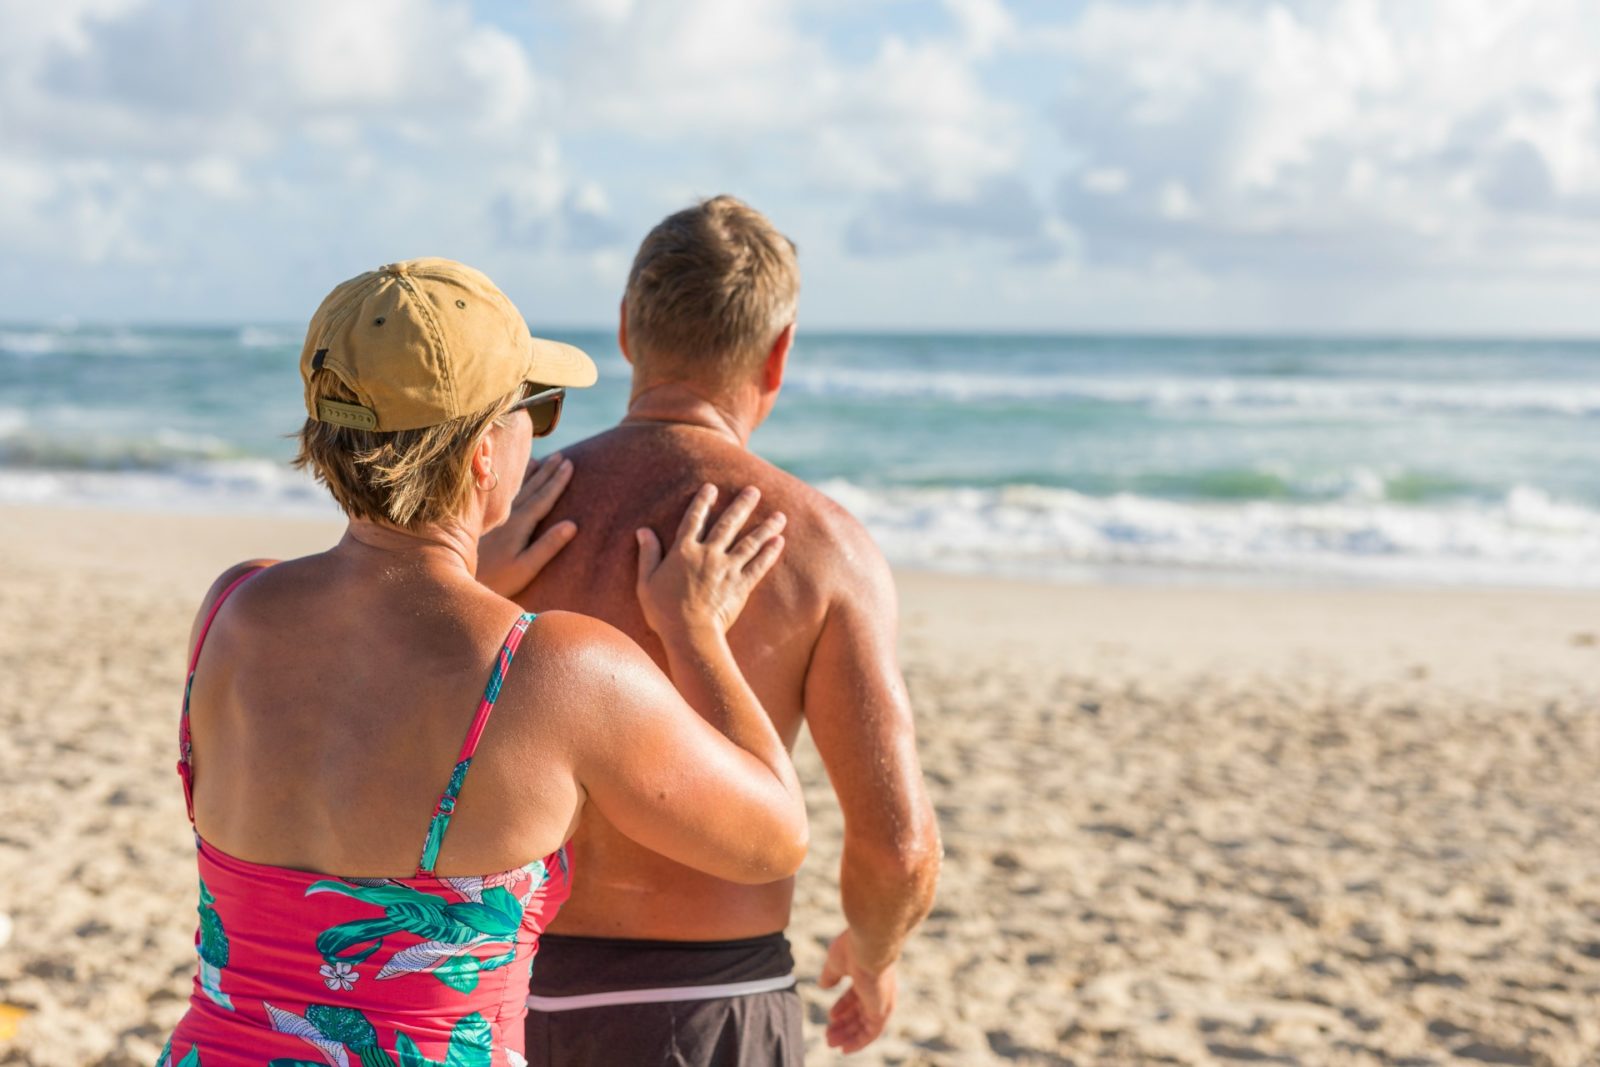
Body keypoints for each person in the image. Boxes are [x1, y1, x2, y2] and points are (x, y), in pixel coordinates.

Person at [157, 258, 808, 1066]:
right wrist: (694, 630)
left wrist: (468, 579)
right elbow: (774, 839)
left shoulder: (231, 611)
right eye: (535, 407)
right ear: (481, 456)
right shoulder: (551, 668)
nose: (540, 431)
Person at [490, 197, 942, 1065]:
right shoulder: (822, 547)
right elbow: (898, 849)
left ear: (626, 330)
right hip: (704, 1006)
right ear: (780, 352)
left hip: (496, 990)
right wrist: (872, 952)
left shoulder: (503, 512)